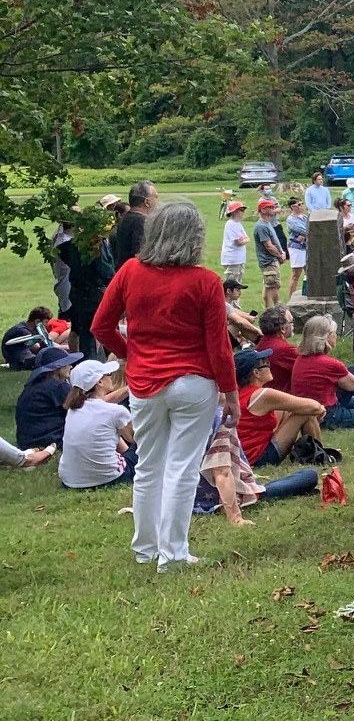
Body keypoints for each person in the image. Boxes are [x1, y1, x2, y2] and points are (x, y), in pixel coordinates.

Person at [93, 201, 239, 572]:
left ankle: (145, 549)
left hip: (145, 382)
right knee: (181, 469)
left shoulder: (129, 271)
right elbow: (218, 347)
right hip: (193, 383)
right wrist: (232, 393)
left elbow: (100, 326)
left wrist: (130, 355)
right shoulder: (205, 281)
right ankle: (172, 554)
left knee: (148, 466)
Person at [193, 407, 318, 525]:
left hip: (184, 497)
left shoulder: (177, 415)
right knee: (309, 475)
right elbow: (222, 471)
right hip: (215, 497)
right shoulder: (221, 416)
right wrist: (235, 517)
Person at [234, 346, 325, 468]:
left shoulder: (241, 393)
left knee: (288, 409)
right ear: (256, 373)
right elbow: (314, 407)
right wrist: (320, 409)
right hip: (258, 458)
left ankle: (314, 452)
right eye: (265, 363)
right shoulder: (263, 395)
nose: (269, 365)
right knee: (306, 412)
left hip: (245, 456)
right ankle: (319, 456)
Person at [58, 359, 136, 489]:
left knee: (108, 431)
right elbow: (135, 439)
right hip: (109, 478)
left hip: (71, 482)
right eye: (108, 375)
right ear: (99, 382)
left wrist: (131, 388)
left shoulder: (73, 410)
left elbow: (103, 403)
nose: (111, 377)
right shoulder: (115, 412)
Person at [289, 317, 354, 429]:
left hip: (310, 409)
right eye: (334, 333)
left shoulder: (301, 359)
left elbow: (341, 376)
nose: (336, 336)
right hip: (328, 415)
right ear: (326, 337)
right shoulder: (328, 363)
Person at [55, 218, 113, 359]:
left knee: (79, 329)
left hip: (76, 291)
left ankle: (79, 360)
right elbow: (105, 270)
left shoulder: (70, 245)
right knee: (96, 330)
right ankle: (95, 362)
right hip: (93, 291)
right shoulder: (95, 245)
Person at [16, 346, 82, 450]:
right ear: (57, 368)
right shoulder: (57, 387)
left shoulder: (34, 386)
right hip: (49, 442)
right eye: (67, 364)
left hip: (27, 443)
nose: (71, 366)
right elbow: (86, 410)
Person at [109, 180, 157, 266]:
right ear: (146, 202)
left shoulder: (126, 218)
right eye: (155, 197)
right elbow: (140, 255)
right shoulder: (140, 222)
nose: (157, 202)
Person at [251, 199, 287, 309]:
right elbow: (269, 246)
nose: (273, 209)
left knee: (268, 285)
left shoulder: (267, 223)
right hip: (269, 261)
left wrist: (282, 252)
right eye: (270, 207)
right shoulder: (261, 226)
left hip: (271, 260)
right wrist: (279, 255)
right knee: (274, 286)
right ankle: (277, 308)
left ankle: (267, 309)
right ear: (263, 210)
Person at [3, 306, 54, 371]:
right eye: (46, 322)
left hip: (24, 357)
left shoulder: (30, 328)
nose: (46, 325)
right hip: (20, 361)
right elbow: (37, 349)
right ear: (37, 321)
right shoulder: (22, 331)